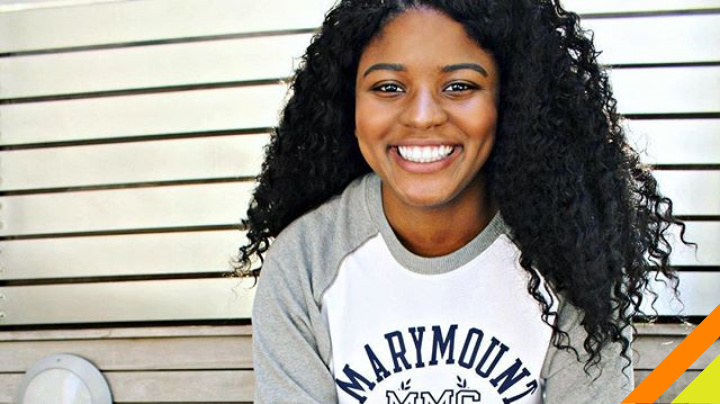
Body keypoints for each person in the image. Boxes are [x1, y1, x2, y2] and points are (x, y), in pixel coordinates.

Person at [232, 0, 695, 403]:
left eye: (460, 86)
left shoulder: (575, 256)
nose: (422, 116)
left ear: (510, 101)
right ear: (347, 105)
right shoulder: (304, 263)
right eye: (389, 87)